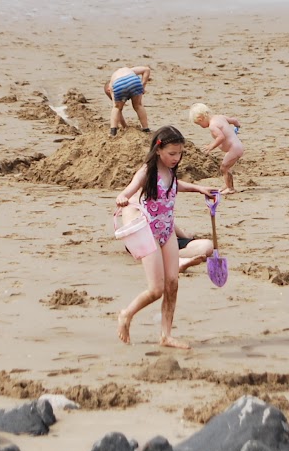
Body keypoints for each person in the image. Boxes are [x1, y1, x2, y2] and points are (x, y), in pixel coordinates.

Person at [114, 125, 218, 348]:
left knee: (173, 284)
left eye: (179, 153)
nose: (176, 158)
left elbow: (174, 185)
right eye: (172, 153)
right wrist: (122, 198)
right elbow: (127, 190)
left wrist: (199, 188)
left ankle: (166, 335)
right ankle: (126, 314)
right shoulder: (146, 171)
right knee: (156, 289)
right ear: (158, 150)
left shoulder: (171, 171)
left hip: (167, 232)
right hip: (148, 234)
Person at [187, 103, 244, 194]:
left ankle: (230, 188)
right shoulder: (220, 117)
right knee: (226, 167)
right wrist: (237, 125)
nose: (201, 126)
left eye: (199, 124)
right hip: (237, 147)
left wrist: (211, 146)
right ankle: (227, 184)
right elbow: (234, 120)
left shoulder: (212, 126)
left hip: (234, 149)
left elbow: (221, 137)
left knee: (224, 167)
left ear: (200, 118)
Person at [103, 65, 152, 136]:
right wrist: (143, 86)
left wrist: (124, 126)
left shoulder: (111, 84)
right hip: (134, 81)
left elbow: (118, 111)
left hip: (118, 84)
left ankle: (113, 132)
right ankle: (146, 129)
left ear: (108, 90)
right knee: (138, 105)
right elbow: (147, 69)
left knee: (116, 108)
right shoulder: (129, 70)